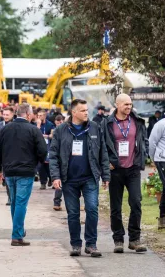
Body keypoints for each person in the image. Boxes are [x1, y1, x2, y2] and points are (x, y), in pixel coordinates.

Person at [49, 99, 110, 257]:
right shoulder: (61, 130)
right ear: (73, 112)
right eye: (83, 110)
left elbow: (103, 153)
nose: (86, 113)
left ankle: (91, 244)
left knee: (92, 210)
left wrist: (105, 175)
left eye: (86, 110)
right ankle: (76, 244)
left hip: (90, 177)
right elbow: (54, 155)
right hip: (69, 179)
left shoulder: (94, 128)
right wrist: (55, 176)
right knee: (73, 213)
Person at [0, 103, 47, 246]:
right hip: (26, 171)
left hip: (9, 171)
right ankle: (16, 235)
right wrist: (39, 163)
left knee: (15, 202)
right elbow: (43, 151)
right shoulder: (33, 130)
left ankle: (19, 231)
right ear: (28, 115)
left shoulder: (5, 129)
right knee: (21, 203)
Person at [102, 93, 148, 253]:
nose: (129, 107)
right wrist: (107, 162)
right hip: (115, 170)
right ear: (117, 105)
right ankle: (118, 240)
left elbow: (144, 141)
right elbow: (101, 145)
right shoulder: (106, 123)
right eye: (125, 104)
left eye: (130, 104)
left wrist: (143, 156)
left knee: (136, 203)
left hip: (133, 168)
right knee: (115, 207)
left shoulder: (137, 121)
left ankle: (134, 239)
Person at [149, 104, 165, 229]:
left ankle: (162, 219)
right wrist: (153, 159)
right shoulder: (162, 124)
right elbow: (152, 142)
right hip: (162, 159)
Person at [0, 106, 15, 206]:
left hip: (15, 153)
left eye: (7, 115)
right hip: (4, 153)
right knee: (7, 177)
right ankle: (10, 197)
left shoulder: (16, 125)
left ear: (12, 115)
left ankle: (14, 197)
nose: (5, 116)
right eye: (4, 115)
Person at [36, 109, 54, 190]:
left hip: (48, 147)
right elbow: (35, 134)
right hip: (39, 147)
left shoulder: (50, 124)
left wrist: (46, 136)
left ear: (45, 116)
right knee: (40, 165)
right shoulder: (36, 125)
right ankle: (43, 182)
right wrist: (38, 125)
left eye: (41, 115)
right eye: (38, 115)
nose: (39, 117)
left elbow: (52, 134)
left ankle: (51, 178)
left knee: (48, 164)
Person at [52, 115, 64, 211]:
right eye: (57, 121)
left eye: (60, 121)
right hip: (60, 160)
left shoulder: (67, 130)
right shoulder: (55, 131)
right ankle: (57, 202)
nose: (59, 123)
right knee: (59, 183)